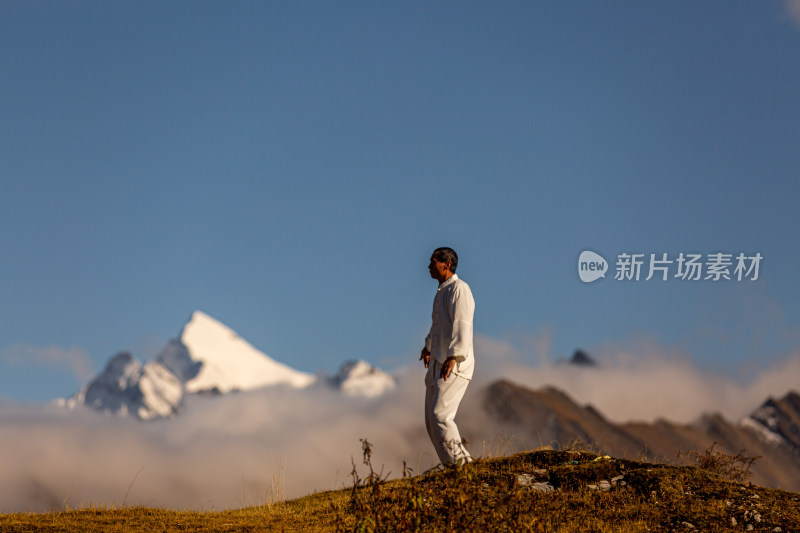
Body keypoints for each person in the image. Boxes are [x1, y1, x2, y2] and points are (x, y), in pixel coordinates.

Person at [420, 247, 474, 466]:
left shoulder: (460, 289)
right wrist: (428, 347)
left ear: (447, 264)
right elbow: (439, 325)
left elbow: (463, 324)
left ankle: (462, 467)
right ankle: (454, 466)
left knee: (440, 416)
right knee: (431, 421)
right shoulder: (442, 292)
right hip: (438, 363)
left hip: (454, 364)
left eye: (433, 261)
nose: (429, 265)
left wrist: (455, 356)